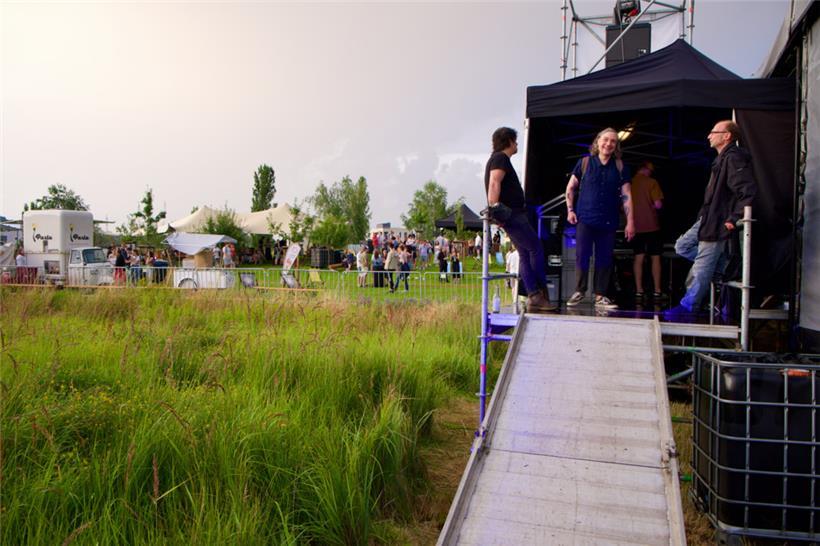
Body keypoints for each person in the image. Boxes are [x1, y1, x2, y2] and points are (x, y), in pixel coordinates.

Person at [670, 120, 756, 314]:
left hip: (719, 219)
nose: (709, 136)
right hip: (708, 217)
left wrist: (733, 218)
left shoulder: (734, 158)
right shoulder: (722, 159)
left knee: (702, 265)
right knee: (682, 246)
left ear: (727, 136)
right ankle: (722, 267)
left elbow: (747, 191)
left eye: (713, 132)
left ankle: (688, 306)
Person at [485, 127, 556, 313]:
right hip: (513, 215)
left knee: (525, 253)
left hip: (511, 215)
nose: (517, 144)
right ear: (508, 141)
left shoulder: (498, 159)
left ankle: (534, 295)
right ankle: (537, 293)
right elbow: (494, 182)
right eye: (515, 141)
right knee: (535, 249)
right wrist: (495, 208)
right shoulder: (500, 158)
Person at [565, 127, 635, 310]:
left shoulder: (620, 167)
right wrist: (570, 210)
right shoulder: (584, 163)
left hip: (608, 220)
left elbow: (627, 195)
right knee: (582, 255)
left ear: (616, 145)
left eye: (613, 141)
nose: (608, 144)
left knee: (604, 258)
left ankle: (600, 296)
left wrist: (631, 222)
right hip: (585, 218)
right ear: (598, 141)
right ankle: (579, 291)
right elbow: (570, 187)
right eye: (605, 140)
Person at [630, 161, 665, 301]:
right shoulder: (652, 182)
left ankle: (639, 290)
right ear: (644, 169)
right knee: (655, 257)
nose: (651, 172)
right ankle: (657, 290)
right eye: (650, 170)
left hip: (635, 226)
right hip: (652, 226)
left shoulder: (629, 183)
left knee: (638, 257)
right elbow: (658, 204)